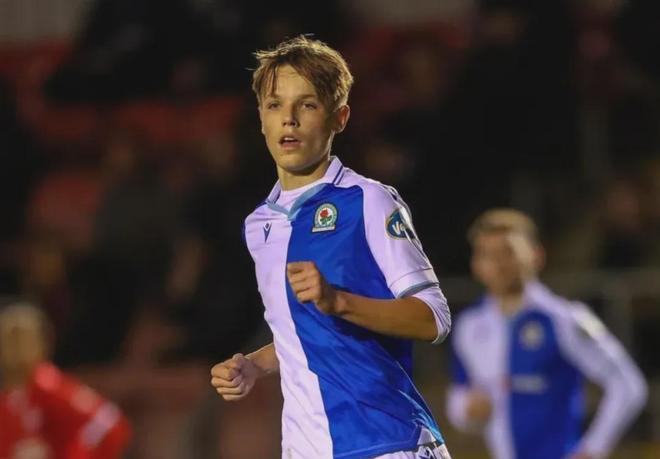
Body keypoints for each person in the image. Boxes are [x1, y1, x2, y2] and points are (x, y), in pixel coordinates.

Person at [210, 36, 452, 459]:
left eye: (306, 105)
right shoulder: (259, 225)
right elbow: (302, 332)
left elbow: (434, 318)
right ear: (261, 119)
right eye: (274, 105)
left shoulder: (368, 200)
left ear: (339, 117)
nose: (289, 120)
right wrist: (255, 365)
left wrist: (338, 301)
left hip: (386, 442)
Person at [446, 209, 648, 459]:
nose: (498, 264)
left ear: (536, 255)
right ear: (476, 265)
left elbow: (628, 385)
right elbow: (458, 400)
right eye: (487, 254)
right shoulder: (468, 326)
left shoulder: (566, 319)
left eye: (508, 252)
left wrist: (593, 450)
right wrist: (466, 411)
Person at [0, 302, 131, 459]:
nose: (16, 349)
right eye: (8, 340)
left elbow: (109, 423)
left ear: (42, 345)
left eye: (23, 340)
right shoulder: (10, 396)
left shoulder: (49, 386)